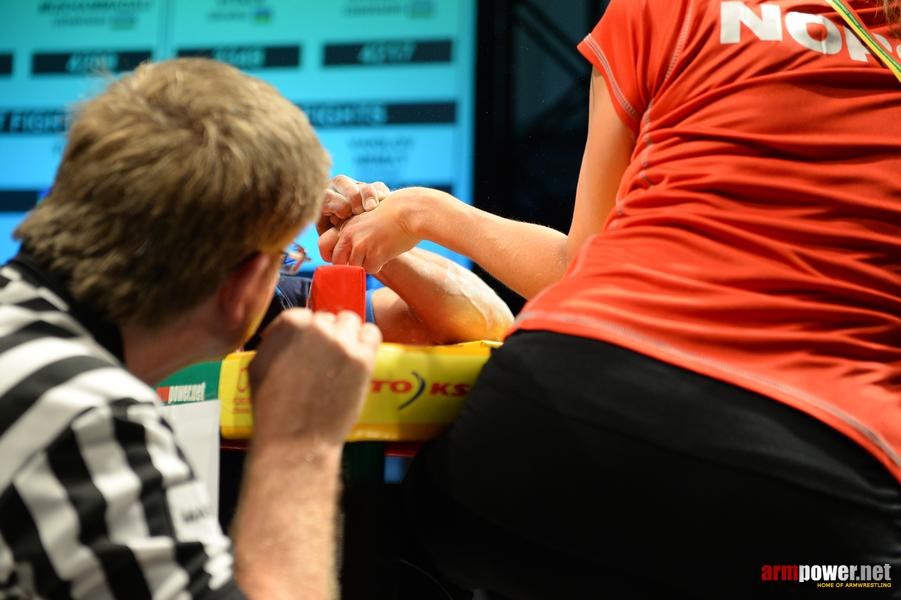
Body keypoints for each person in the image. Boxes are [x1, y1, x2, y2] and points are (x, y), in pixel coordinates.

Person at [320, 0, 901, 597]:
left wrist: (426, 210)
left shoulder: (665, 7)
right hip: (820, 473)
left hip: (559, 409)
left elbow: (576, 265)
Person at [0, 57, 510, 599]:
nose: (292, 266)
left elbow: (484, 323)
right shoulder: (85, 417)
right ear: (245, 279)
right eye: (286, 255)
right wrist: (299, 441)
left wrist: (377, 247)